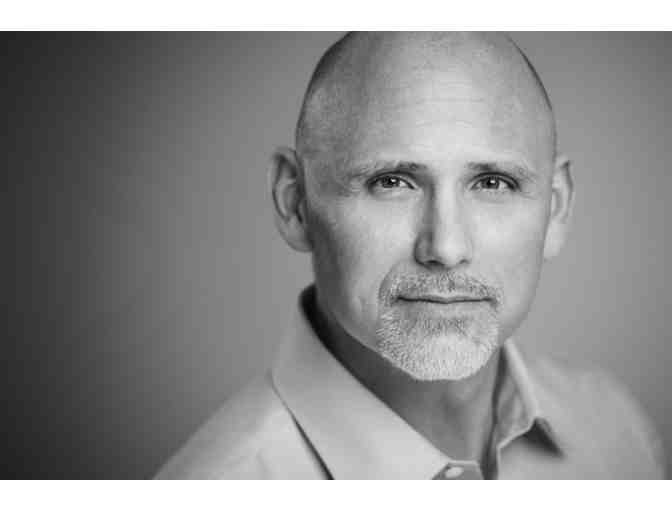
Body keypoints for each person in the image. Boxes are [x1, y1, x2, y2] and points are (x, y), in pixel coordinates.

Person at [155, 32, 666, 479]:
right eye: (391, 182)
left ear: (555, 209)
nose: (446, 247)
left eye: (493, 183)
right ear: (295, 204)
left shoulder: (616, 432)